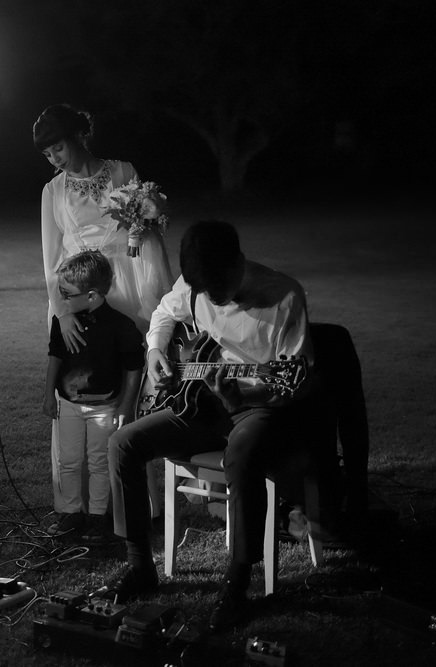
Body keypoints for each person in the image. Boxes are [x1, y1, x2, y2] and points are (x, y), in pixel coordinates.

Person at [105, 220, 322, 631]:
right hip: (202, 404)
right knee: (122, 444)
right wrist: (154, 350)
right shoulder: (195, 287)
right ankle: (139, 567)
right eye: (206, 293)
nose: (214, 299)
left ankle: (237, 584)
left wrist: (244, 395)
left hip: (258, 406)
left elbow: (293, 385)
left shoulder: (284, 295)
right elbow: (164, 314)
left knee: (240, 456)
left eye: (219, 290)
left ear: (238, 261)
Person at [35, 103, 173, 517]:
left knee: (132, 373)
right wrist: (62, 311)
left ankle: (134, 500)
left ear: (77, 137)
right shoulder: (52, 192)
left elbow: (145, 231)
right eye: (47, 155)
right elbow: (49, 260)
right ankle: (73, 503)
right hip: (78, 289)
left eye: (58, 147)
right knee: (80, 384)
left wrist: (143, 230)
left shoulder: (122, 171)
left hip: (126, 280)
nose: (55, 159)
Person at [42, 250, 144, 540]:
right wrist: (49, 393)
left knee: (99, 462)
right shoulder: (62, 322)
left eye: (67, 294)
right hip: (68, 405)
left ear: (93, 295)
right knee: (69, 461)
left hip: (105, 406)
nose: (62, 300)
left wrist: (126, 405)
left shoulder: (122, 326)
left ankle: (98, 517)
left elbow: (134, 367)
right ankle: (71, 513)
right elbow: (55, 357)